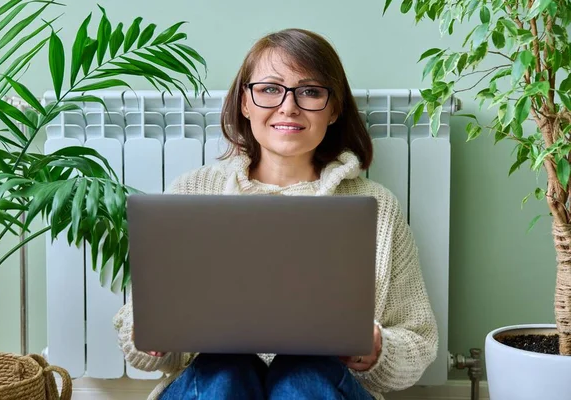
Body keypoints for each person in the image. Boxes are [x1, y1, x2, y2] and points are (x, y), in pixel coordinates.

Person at [113, 28, 438, 400]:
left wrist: (377, 348)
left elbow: (418, 340)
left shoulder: (377, 207)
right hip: (214, 384)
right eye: (270, 89)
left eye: (310, 91)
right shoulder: (192, 191)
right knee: (225, 370)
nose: (288, 106)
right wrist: (152, 335)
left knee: (306, 372)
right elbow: (137, 336)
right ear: (244, 103)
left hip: (323, 387)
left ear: (333, 109)